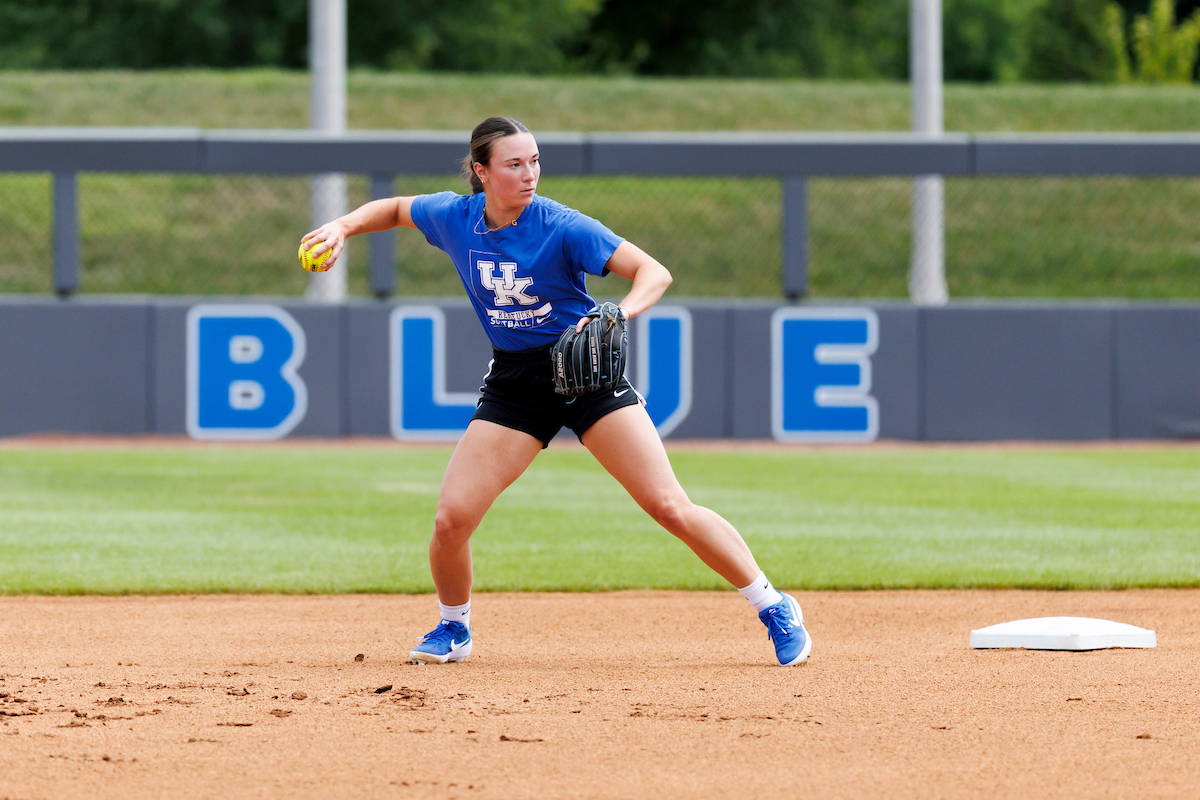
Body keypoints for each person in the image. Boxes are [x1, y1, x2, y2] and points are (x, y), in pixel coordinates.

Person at [300, 116, 810, 667]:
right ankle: (453, 627)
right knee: (451, 521)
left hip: (586, 375)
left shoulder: (562, 226)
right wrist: (342, 226)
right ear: (482, 172)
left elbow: (653, 273)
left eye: (535, 161)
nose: (530, 174)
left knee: (668, 506)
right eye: (514, 164)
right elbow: (398, 208)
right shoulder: (456, 217)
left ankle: (774, 605)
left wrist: (619, 312)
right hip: (517, 383)